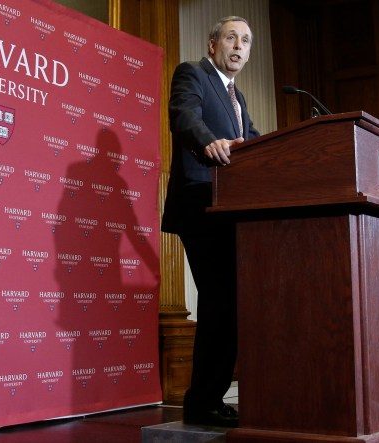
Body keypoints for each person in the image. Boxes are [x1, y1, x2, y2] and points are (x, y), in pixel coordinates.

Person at [161, 16, 260, 427]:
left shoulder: (237, 98)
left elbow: (254, 139)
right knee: (220, 303)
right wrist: (210, 141)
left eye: (247, 41)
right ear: (213, 43)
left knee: (231, 306)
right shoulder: (194, 74)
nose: (239, 46)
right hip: (202, 206)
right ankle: (202, 401)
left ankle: (209, 399)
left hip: (230, 209)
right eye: (232, 38)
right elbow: (184, 117)